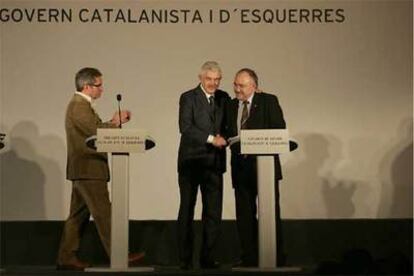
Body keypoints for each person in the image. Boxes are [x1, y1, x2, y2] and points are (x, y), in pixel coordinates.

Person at [57, 67, 143, 270]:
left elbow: (93, 132)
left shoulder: (82, 106)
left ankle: (66, 256)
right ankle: (119, 255)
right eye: (98, 85)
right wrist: (115, 122)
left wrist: (113, 123)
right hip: (88, 169)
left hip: (84, 170)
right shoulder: (78, 106)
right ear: (87, 86)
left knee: (77, 217)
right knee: (105, 213)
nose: (101, 89)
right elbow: (97, 133)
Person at [224, 68, 286, 267]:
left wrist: (256, 139)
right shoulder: (231, 105)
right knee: (244, 215)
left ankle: (274, 256)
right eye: (235, 84)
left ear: (254, 86)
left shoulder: (268, 101)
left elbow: (279, 129)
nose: (237, 89)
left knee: (270, 213)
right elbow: (226, 132)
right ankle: (249, 258)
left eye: (241, 85)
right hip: (241, 169)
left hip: (264, 167)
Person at [177, 61, 230, 269]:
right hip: (191, 163)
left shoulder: (224, 98)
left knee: (213, 214)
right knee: (187, 210)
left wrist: (258, 95)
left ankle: (207, 258)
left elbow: (231, 119)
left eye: (217, 80)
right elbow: (185, 127)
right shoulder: (188, 97)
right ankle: (185, 260)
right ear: (200, 78)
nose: (213, 84)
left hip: (215, 164)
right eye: (209, 79)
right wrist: (211, 139)